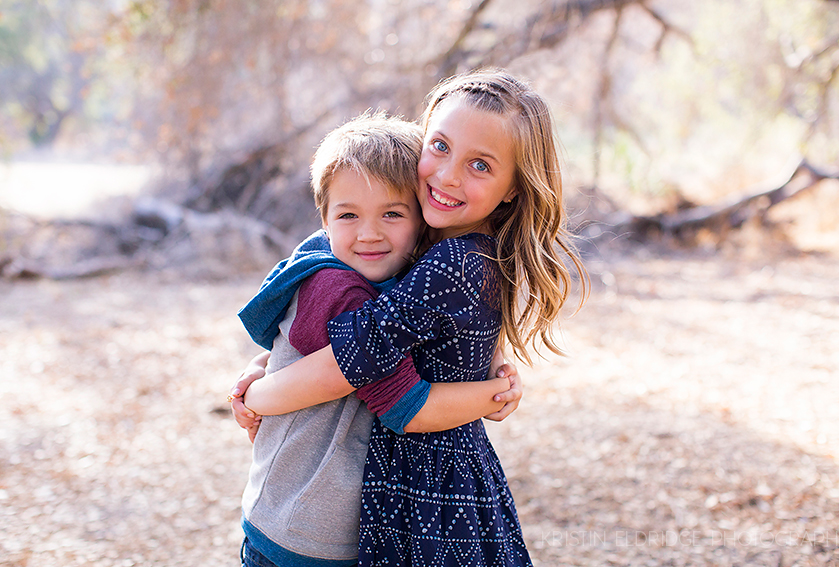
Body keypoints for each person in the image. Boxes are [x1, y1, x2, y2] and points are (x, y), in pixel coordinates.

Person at [237, 68, 589, 566]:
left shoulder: (452, 262)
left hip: (425, 481)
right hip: (424, 476)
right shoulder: (444, 241)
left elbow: (353, 360)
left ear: (514, 187)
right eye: (440, 146)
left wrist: (256, 396)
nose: (447, 176)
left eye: (481, 165)